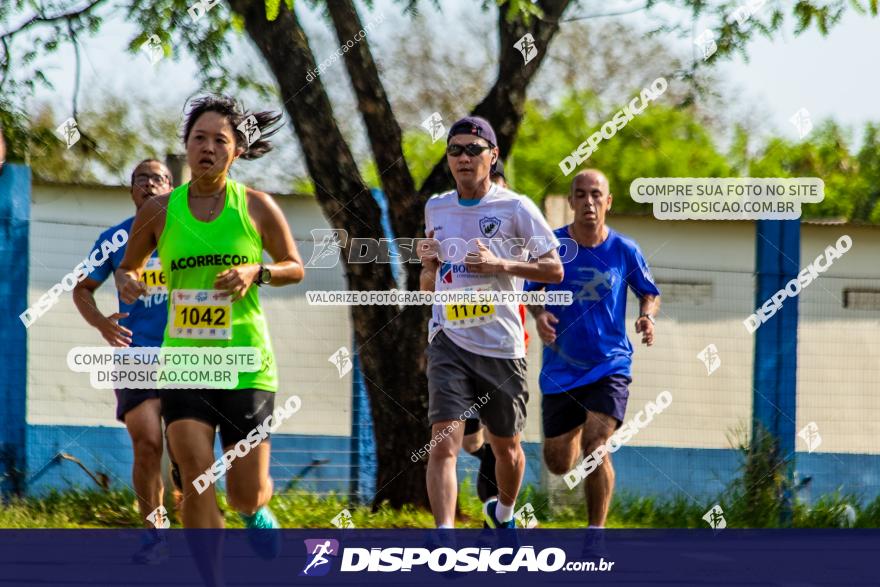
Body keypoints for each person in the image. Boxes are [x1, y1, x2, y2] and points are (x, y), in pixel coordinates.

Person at [114, 95, 304, 557]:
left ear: (236, 150)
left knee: (243, 492)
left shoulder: (256, 206)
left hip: (246, 364)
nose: (208, 147)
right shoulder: (159, 211)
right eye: (198, 138)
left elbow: (294, 266)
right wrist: (129, 281)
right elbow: (129, 268)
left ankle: (254, 506)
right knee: (196, 475)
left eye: (220, 140)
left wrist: (255, 272)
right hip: (185, 362)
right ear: (186, 144)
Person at [418, 116, 563, 530]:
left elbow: (554, 270)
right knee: (442, 444)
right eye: (455, 150)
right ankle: (443, 539)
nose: (463, 158)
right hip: (448, 337)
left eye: (473, 150)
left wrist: (500, 264)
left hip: (501, 345)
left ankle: (502, 514)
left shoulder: (516, 207)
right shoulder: (436, 207)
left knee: (507, 449)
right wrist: (428, 266)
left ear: (492, 155)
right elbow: (429, 287)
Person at [526, 169, 660, 531]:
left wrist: (647, 316)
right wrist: (539, 316)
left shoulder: (624, 250)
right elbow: (531, 293)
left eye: (596, 195)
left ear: (608, 201)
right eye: (581, 195)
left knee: (597, 446)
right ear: (571, 201)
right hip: (561, 368)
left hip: (609, 364)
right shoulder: (553, 247)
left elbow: (649, 291)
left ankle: (595, 534)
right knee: (557, 462)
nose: (589, 202)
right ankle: (570, 435)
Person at [72, 159, 179, 563]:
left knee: (184, 448)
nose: (150, 184)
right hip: (134, 353)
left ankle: (189, 508)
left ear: (172, 188)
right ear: (131, 190)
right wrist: (102, 323)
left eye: (158, 178)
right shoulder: (114, 239)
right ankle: (155, 533)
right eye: (141, 178)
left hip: (186, 355)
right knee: (148, 443)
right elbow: (82, 289)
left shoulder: (187, 234)